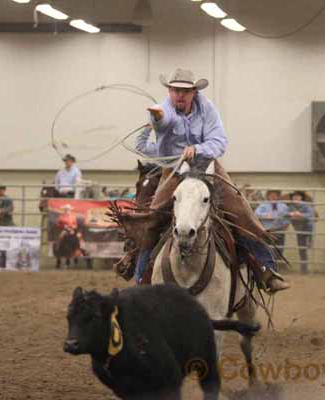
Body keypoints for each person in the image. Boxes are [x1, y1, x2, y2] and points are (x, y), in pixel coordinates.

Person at [131, 68, 289, 292]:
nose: (180, 95)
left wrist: (198, 148)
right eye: (176, 90)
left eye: (185, 91)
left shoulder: (207, 109)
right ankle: (140, 276)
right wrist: (156, 118)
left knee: (240, 210)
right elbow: (163, 123)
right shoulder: (163, 109)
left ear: (194, 92)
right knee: (153, 217)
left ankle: (267, 269)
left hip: (208, 166)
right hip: (174, 171)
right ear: (169, 91)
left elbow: (219, 141)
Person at [254, 190, 290, 254]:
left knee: (279, 249)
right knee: (267, 249)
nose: (273, 197)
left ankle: (278, 262)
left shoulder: (283, 206)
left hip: (279, 230)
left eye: (275, 196)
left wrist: (286, 225)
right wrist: (265, 215)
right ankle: (270, 263)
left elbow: (287, 216)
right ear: (268, 196)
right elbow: (256, 214)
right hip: (268, 231)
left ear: (278, 196)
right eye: (271, 195)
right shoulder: (263, 205)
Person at [287, 191, 314, 274]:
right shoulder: (291, 206)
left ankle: (305, 268)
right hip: (299, 229)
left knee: (304, 248)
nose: (296, 198)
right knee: (302, 249)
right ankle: (304, 269)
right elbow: (285, 214)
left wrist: (300, 215)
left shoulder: (306, 205)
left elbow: (310, 215)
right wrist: (291, 214)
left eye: (297, 196)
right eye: (294, 197)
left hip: (307, 228)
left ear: (301, 198)